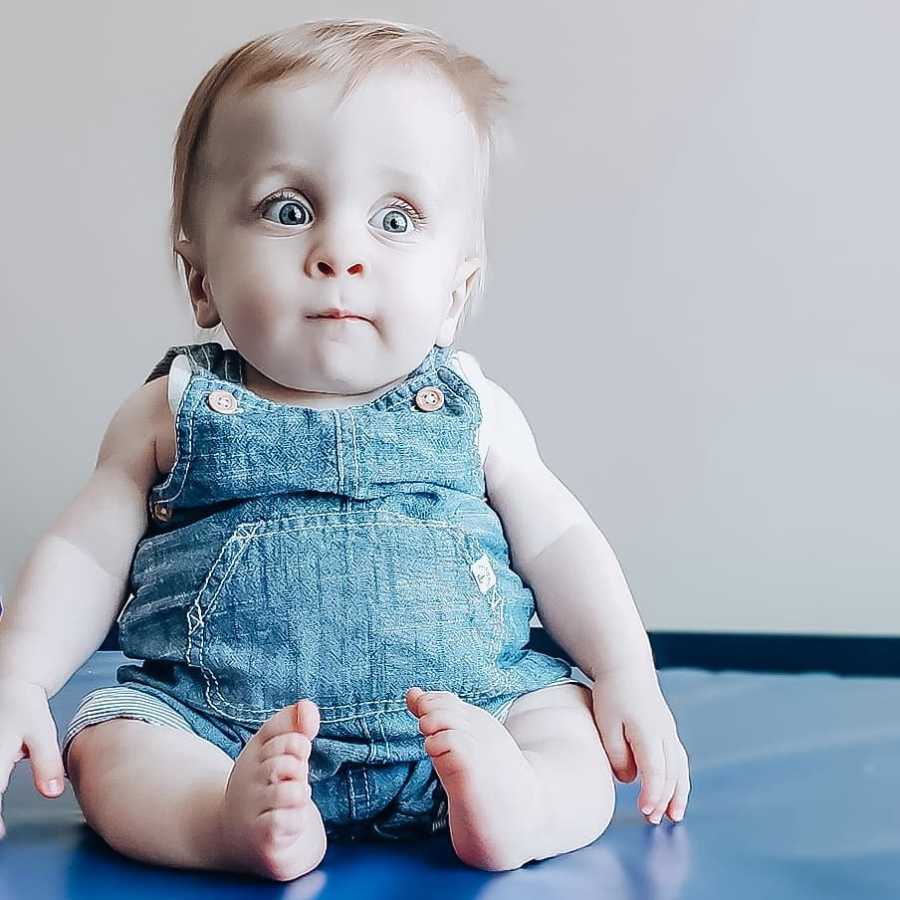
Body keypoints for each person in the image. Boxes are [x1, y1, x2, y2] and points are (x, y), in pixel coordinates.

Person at [0, 17, 690, 880]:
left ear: (454, 294)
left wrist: (627, 675)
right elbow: (84, 551)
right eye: (287, 210)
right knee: (112, 745)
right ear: (202, 276)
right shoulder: (170, 411)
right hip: (220, 732)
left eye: (396, 218)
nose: (341, 253)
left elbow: (563, 546)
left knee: (571, 732)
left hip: (476, 709)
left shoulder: (476, 412)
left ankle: (520, 805)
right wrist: (19, 675)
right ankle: (218, 820)